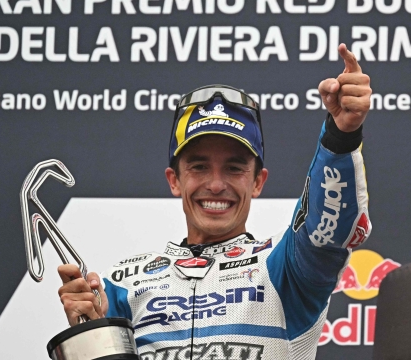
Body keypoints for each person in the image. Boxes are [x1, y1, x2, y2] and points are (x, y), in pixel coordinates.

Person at [57, 44, 372, 360]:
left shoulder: (286, 270)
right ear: (174, 180)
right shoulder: (123, 286)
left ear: (258, 181)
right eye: (199, 166)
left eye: (234, 167)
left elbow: (325, 229)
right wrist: (90, 338)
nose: (217, 184)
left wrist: (340, 136)